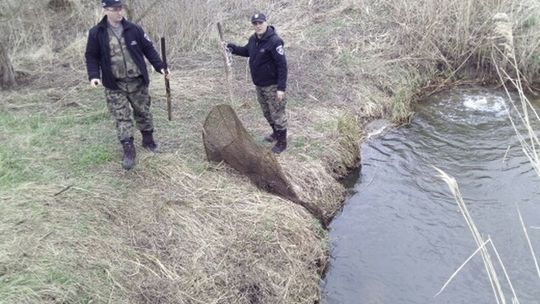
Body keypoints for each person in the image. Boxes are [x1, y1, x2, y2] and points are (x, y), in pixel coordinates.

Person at [85, 0, 169, 170]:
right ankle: (128, 149)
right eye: (114, 9)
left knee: (143, 111)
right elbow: (91, 56)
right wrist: (94, 75)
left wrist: (161, 66)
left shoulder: (134, 29)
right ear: (105, 10)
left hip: (137, 81)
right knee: (121, 117)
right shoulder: (97, 33)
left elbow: (148, 49)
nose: (119, 12)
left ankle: (148, 140)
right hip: (114, 84)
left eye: (120, 8)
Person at [224, 13, 289, 154]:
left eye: (260, 22)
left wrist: (281, 88)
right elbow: (246, 51)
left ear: (266, 23)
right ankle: (275, 134)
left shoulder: (275, 41)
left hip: (272, 85)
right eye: (255, 23)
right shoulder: (253, 39)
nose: (258, 26)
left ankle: (282, 142)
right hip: (259, 85)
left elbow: (282, 66)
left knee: (277, 113)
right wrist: (231, 47)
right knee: (267, 112)